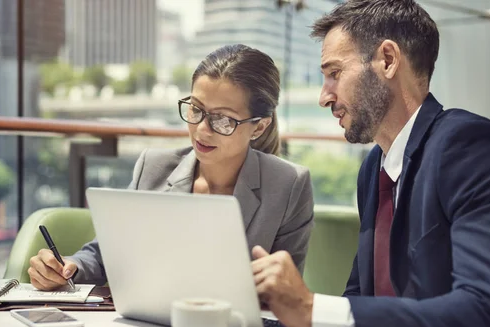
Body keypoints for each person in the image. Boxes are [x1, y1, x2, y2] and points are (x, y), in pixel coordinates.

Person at [251, 1, 490, 327]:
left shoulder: (477, 151)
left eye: (334, 74)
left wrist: (313, 311)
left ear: (388, 60)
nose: (325, 96)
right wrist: (290, 324)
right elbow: (361, 295)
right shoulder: (374, 167)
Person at [29, 44, 314, 291]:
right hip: (147, 325)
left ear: (259, 127)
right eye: (196, 109)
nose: (202, 130)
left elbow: (284, 289)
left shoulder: (289, 185)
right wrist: (69, 267)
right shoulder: (153, 168)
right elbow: (105, 253)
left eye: (223, 120)